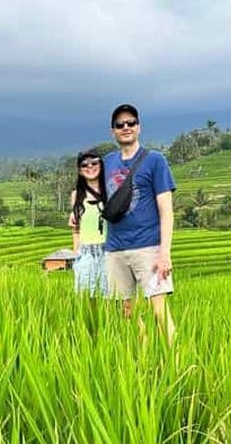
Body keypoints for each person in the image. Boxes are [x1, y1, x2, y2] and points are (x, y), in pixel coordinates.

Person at [103, 103, 176, 344]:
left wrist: (164, 253)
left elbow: (166, 209)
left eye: (131, 123)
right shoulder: (107, 163)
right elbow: (91, 194)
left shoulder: (155, 160)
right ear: (112, 130)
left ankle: (176, 364)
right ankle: (144, 362)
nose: (126, 127)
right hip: (115, 249)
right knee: (126, 313)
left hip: (148, 247)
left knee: (159, 312)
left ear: (139, 127)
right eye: (120, 124)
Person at [70, 149, 108, 297]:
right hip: (86, 253)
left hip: (108, 251)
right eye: (84, 165)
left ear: (101, 165)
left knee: (111, 298)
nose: (90, 167)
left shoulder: (110, 191)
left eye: (94, 163)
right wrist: (76, 256)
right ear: (80, 171)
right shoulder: (76, 195)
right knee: (87, 298)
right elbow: (76, 229)